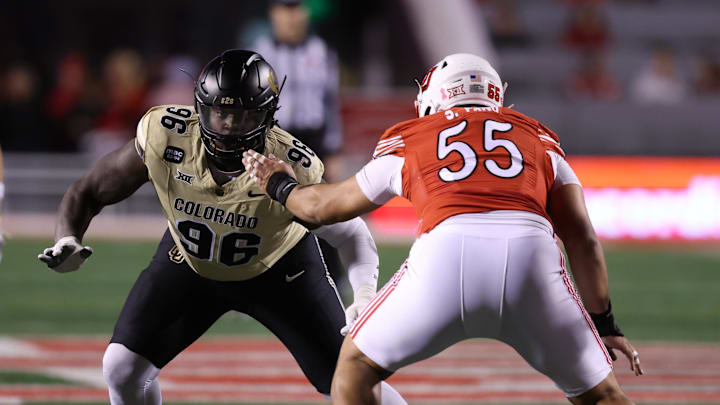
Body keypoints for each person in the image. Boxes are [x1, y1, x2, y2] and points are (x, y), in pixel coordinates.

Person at [244, 53, 644, 405]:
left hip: (446, 255)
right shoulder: (539, 137)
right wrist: (605, 324)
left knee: (355, 365)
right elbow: (582, 239)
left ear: (434, 97)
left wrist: (279, 182)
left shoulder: (412, 137)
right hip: (531, 257)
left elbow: (322, 208)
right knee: (603, 396)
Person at [37, 49, 406, 405]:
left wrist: (363, 295)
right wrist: (67, 237)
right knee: (120, 367)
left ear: (267, 115)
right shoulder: (166, 136)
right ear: (199, 108)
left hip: (280, 271)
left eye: (241, 117)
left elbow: (351, 232)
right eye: (217, 114)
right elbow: (89, 190)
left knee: (349, 380)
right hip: (190, 264)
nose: (227, 127)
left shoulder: (292, 163)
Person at [252, 0, 343, 179]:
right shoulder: (260, 53)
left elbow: (331, 102)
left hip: (314, 142)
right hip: (275, 140)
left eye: (297, 8)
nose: (293, 16)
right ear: (274, 13)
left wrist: (334, 148)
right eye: (287, 8)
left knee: (318, 200)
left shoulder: (321, 51)